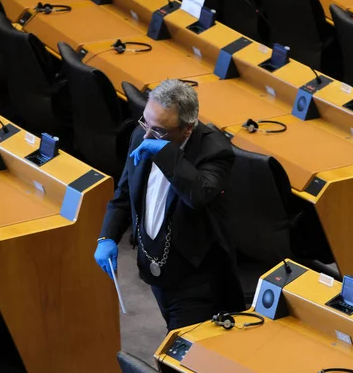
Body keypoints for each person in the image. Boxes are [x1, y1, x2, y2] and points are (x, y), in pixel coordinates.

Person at [94, 79, 245, 331]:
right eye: (145, 122)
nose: (147, 135)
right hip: (155, 268)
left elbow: (197, 195)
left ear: (187, 129)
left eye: (160, 131)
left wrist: (165, 153)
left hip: (195, 278)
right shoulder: (141, 134)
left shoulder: (215, 151)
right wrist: (106, 237)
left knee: (183, 352)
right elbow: (123, 195)